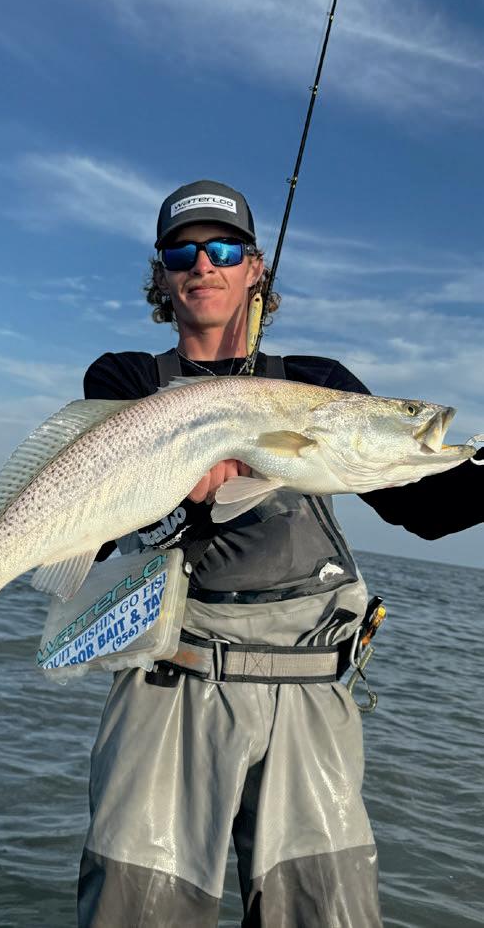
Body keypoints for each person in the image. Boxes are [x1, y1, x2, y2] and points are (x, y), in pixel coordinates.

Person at [77, 180, 483, 928]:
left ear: (255, 267)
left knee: (326, 911)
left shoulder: (317, 385)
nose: (204, 265)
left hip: (309, 692)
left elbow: (426, 511)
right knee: (137, 908)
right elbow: (96, 527)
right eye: (182, 254)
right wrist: (183, 494)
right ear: (162, 276)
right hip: (172, 682)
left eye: (223, 249)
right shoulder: (126, 379)